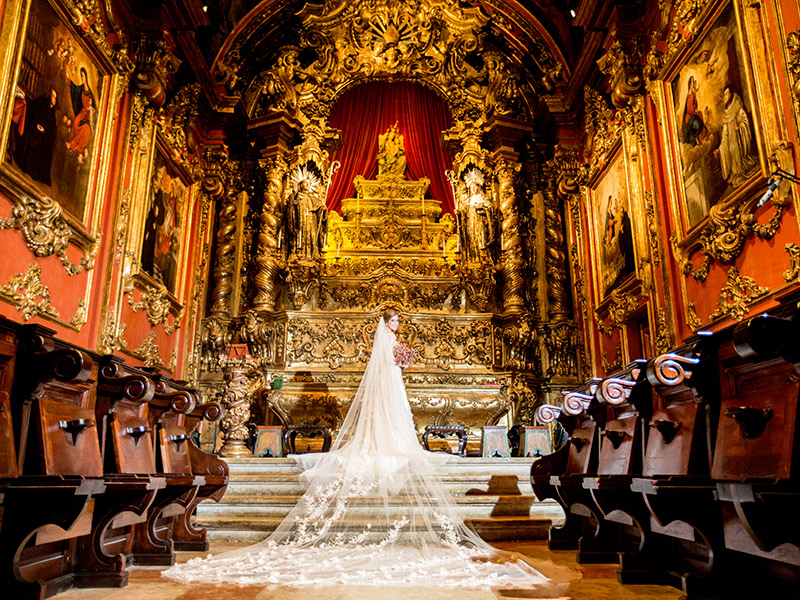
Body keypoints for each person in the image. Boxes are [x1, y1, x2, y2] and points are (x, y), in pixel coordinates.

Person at [163, 309, 557, 590]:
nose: (398, 327)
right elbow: (390, 369)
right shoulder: (387, 346)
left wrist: (399, 362)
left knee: (388, 423)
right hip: (390, 387)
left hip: (391, 387)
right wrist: (399, 362)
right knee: (391, 424)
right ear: (387, 325)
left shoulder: (386, 346)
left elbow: (390, 369)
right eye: (396, 323)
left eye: (398, 324)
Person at [715, 84, 759, 188]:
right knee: (735, 175)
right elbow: (725, 136)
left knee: (745, 165)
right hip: (731, 148)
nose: (725, 97)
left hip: (739, 144)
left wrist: (740, 127)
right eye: (724, 95)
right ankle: (737, 175)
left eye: (726, 94)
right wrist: (720, 149)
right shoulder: (726, 115)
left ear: (731, 94)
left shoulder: (738, 108)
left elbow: (745, 122)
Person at [15, 87, 59, 185]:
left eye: (54, 97)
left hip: (42, 137)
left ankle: (35, 173)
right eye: (52, 95)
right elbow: (32, 107)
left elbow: (52, 130)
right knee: (32, 143)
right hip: (34, 131)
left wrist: (44, 130)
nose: (52, 98)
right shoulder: (42, 102)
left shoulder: (52, 113)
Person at [287, 167, 327, 260]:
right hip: (300, 220)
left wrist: (323, 210)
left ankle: (312, 256)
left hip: (311, 222)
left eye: (309, 183)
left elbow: (320, 213)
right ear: (300, 184)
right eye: (305, 182)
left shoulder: (314, 198)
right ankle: (297, 255)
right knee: (299, 236)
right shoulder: (296, 196)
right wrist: (294, 193)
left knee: (312, 237)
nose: (308, 184)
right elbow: (291, 208)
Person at [458, 169, 496, 264]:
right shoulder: (468, 200)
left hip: (481, 223)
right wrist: (459, 212)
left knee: (481, 240)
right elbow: (463, 211)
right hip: (471, 225)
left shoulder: (483, 198)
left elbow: (490, 208)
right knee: (472, 242)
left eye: (475, 187)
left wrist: (483, 209)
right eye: (472, 187)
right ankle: (473, 259)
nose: (474, 189)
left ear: (479, 187)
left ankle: (484, 259)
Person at [66, 67, 96, 165]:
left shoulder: (89, 90)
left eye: (83, 76)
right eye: (81, 76)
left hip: (88, 114)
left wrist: (91, 110)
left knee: (85, 129)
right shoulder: (80, 88)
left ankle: (77, 147)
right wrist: (69, 81)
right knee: (75, 123)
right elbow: (74, 89)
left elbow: (94, 106)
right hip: (82, 111)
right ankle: (75, 145)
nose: (82, 78)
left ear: (86, 77)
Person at [681, 76, 708, 147]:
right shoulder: (690, 95)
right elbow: (690, 110)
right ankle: (695, 140)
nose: (694, 83)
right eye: (693, 82)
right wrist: (697, 113)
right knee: (698, 122)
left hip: (692, 116)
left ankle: (698, 139)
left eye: (694, 81)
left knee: (700, 117)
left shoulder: (692, 94)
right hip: (689, 118)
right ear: (690, 84)